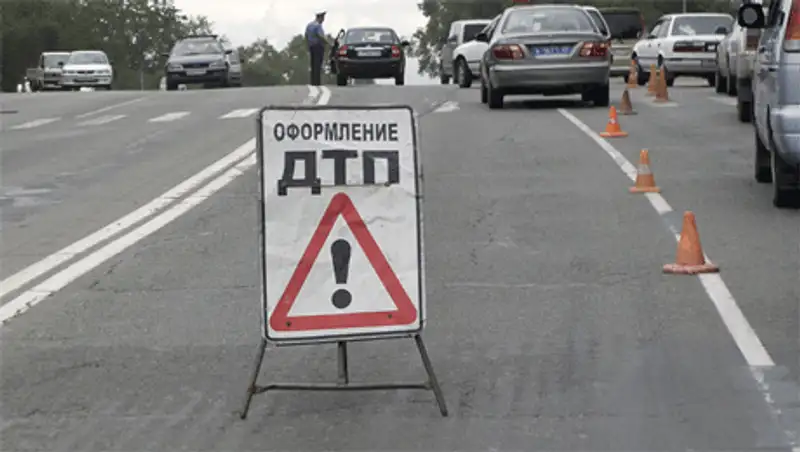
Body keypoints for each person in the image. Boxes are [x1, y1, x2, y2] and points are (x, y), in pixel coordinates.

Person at [305, 11, 331, 86]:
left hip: (311, 46)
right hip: (318, 46)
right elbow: (320, 36)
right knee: (317, 64)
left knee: (313, 64)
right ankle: (317, 82)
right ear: (320, 17)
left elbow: (306, 35)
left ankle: (313, 81)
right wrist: (328, 43)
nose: (323, 20)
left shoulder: (309, 25)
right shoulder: (318, 26)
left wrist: (308, 44)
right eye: (323, 18)